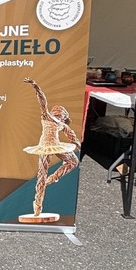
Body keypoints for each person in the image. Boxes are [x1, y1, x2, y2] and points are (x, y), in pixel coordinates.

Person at [22, 78, 80, 217]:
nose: (59, 116)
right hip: (45, 146)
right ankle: (37, 207)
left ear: (64, 117)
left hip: (56, 146)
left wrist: (79, 146)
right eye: (58, 113)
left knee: (73, 161)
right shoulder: (47, 116)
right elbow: (43, 102)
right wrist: (36, 87)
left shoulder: (62, 124)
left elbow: (72, 137)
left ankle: (51, 179)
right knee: (41, 175)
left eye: (62, 115)